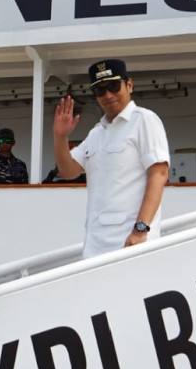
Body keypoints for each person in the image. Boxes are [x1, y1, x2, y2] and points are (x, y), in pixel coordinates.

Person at [52, 58, 169, 258]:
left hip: (130, 243)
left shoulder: (144, 120)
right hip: (95, 244)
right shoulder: (97, 133)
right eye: (100, 90)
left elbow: (159, 173)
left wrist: (141, 230)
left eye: (114, 86)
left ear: (129, 85)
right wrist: (60, 136)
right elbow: (68, 171)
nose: (108, 95)